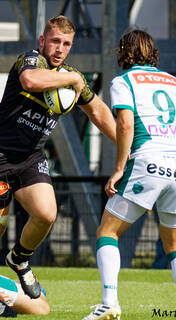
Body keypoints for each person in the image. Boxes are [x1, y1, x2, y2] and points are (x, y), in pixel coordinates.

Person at [0, 15, 116, 317]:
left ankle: (19, 259)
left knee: (47, 214)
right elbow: (30, 81)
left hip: (30, 158)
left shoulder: (71, 76)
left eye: (66, 44)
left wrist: (128, 144)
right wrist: (74, 79)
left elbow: (97, 111)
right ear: (42, 41)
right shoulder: (31, 61)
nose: (60, 48)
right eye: (55, 41)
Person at [82, 29, 176, 320]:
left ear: (123, 51)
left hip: (147, 161)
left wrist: (120, 168)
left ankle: (109, 302)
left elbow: (124, 123)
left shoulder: (124, 81)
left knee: (107, 231)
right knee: (173, 243)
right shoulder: (173, 81)